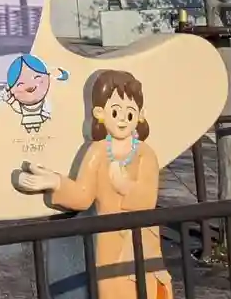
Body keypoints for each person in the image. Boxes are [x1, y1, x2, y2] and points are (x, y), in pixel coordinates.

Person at [15, 70, 170, 299]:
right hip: (108, 241)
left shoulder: (145, 154)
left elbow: (147, 200)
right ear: (100, 113)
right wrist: (55, 182)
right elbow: (83, 195)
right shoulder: (97, 151)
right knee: (111, 289)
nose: (121, 119)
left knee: (146, 288)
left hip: (142, 240)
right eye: (115, 111)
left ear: (140, 114)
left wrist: (125, 186)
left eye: (129, 113)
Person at [0, 54, 70, 134]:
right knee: (30, 127)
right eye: (20, 84)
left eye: (37, 78)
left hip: (39, 118)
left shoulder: (45, 103)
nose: (30, 85)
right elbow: (15, 105)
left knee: (37, 127)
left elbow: (48, 108)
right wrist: (8, 98)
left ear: (47, 78)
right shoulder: (21, 107)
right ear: (12, 90)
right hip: (27, 120)